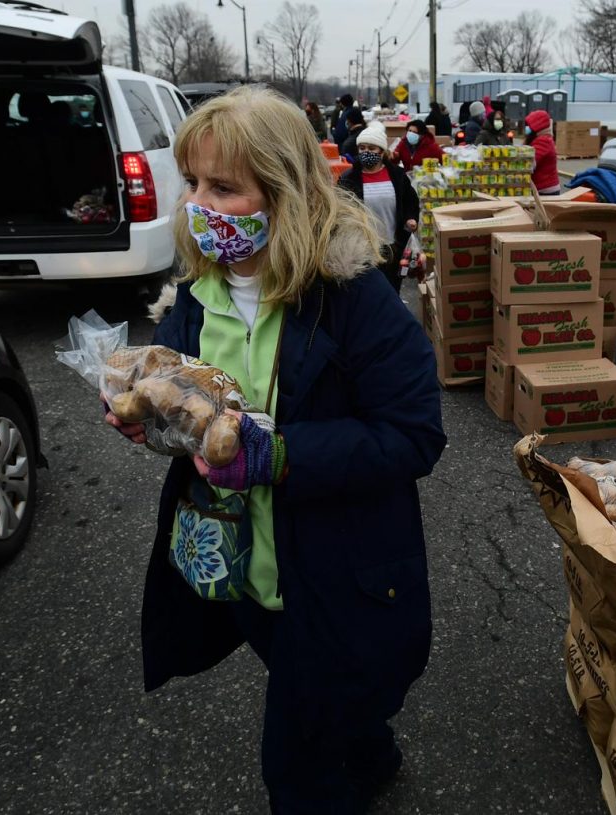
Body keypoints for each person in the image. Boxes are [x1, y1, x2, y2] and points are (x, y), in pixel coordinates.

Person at [104, 84, 446, 814]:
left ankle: (345, 755)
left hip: (330, 574)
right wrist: (154, 421)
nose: (199, 204)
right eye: (192, 182)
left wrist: (280, 455)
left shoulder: (352, 298)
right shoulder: (197, 292)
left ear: (285, 192)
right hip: (238, 568)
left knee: (295, 771)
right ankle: (370, 750)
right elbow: (183, 395)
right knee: (321, 700)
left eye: (223, 187)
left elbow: (414, 433)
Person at [338, 122, 421, 294]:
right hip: (363, 250)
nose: (366, 152)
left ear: (382, 152)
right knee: (368, 293)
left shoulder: (397, 175)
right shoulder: (348, 179)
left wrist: (410, 218)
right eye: (362, 148)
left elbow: (410, 201)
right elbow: (341, 210)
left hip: (393, 246)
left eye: (371, 148)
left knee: (392, 290)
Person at [523, 109, 560, 195]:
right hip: (542, 187)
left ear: (537, 126)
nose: (527, 128)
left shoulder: (543, 141)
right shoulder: (541, 139)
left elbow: (530, 163)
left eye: (529, 125)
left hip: (545, 189)